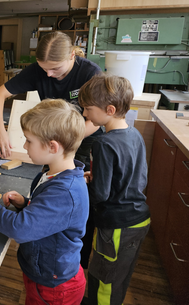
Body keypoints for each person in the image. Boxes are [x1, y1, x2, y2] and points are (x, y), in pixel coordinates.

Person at [0, 31, 101, 268]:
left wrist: (64, 142)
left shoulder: (90, 73)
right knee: (47, 188)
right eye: (44, 70)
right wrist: (0, 130)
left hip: (83, 140)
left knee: (79, 203)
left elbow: (95, 120)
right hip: (55, 143)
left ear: (72, 55)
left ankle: (76, 264)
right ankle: (40, 240)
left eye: (55, 69)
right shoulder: (38, 70)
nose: (49, 75)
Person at [0, 99, 89, 305]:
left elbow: (20, 229)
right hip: (43, 272)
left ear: (52, 146)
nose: (24, 145)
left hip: (54, 287)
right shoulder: (52, 173)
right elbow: (48, 216)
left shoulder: (65, 192)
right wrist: (25, 204)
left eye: (29, 141)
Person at [78, 74, 150, 305]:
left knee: (103, 278)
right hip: (139, 218)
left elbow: (100, 194)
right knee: (120, 276)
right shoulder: (134, 134)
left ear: (109, 109)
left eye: (88, 109)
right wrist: (97, 176)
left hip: (117, 224)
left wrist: (79, 190)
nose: (85, 114)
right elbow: (135, 175)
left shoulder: (103, 143)